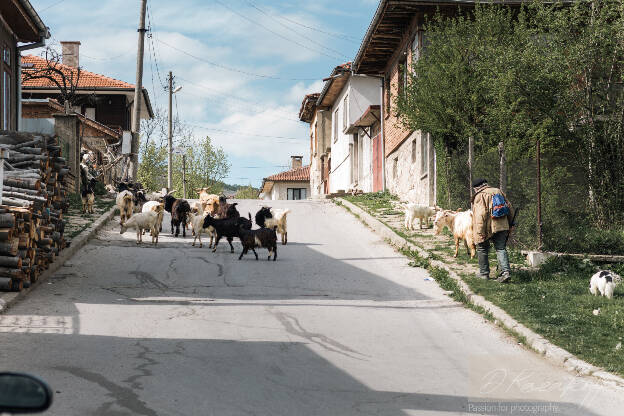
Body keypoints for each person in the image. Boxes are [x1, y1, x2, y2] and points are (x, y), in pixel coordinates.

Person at [471, 178, 514, 283]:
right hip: (502, 225)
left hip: (487, 227)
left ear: (476, 188)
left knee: (482, 248)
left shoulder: (479, 196)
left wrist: (480, 232)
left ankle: (484, 274)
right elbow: (509, 208)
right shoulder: (498, 191)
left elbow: (480, 215)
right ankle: (505, 272)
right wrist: (511, 223)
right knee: (500, 248)